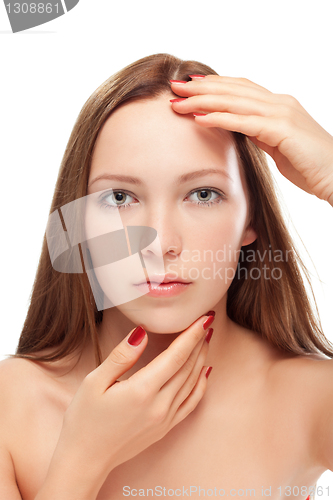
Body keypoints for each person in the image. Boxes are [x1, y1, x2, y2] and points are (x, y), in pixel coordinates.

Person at [0, 53, 333, 500]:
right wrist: (82, 459)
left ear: (251, 217)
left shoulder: (309, 398)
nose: (160, 243)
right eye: (120, 196)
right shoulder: (11, 404)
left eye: (202, 193)